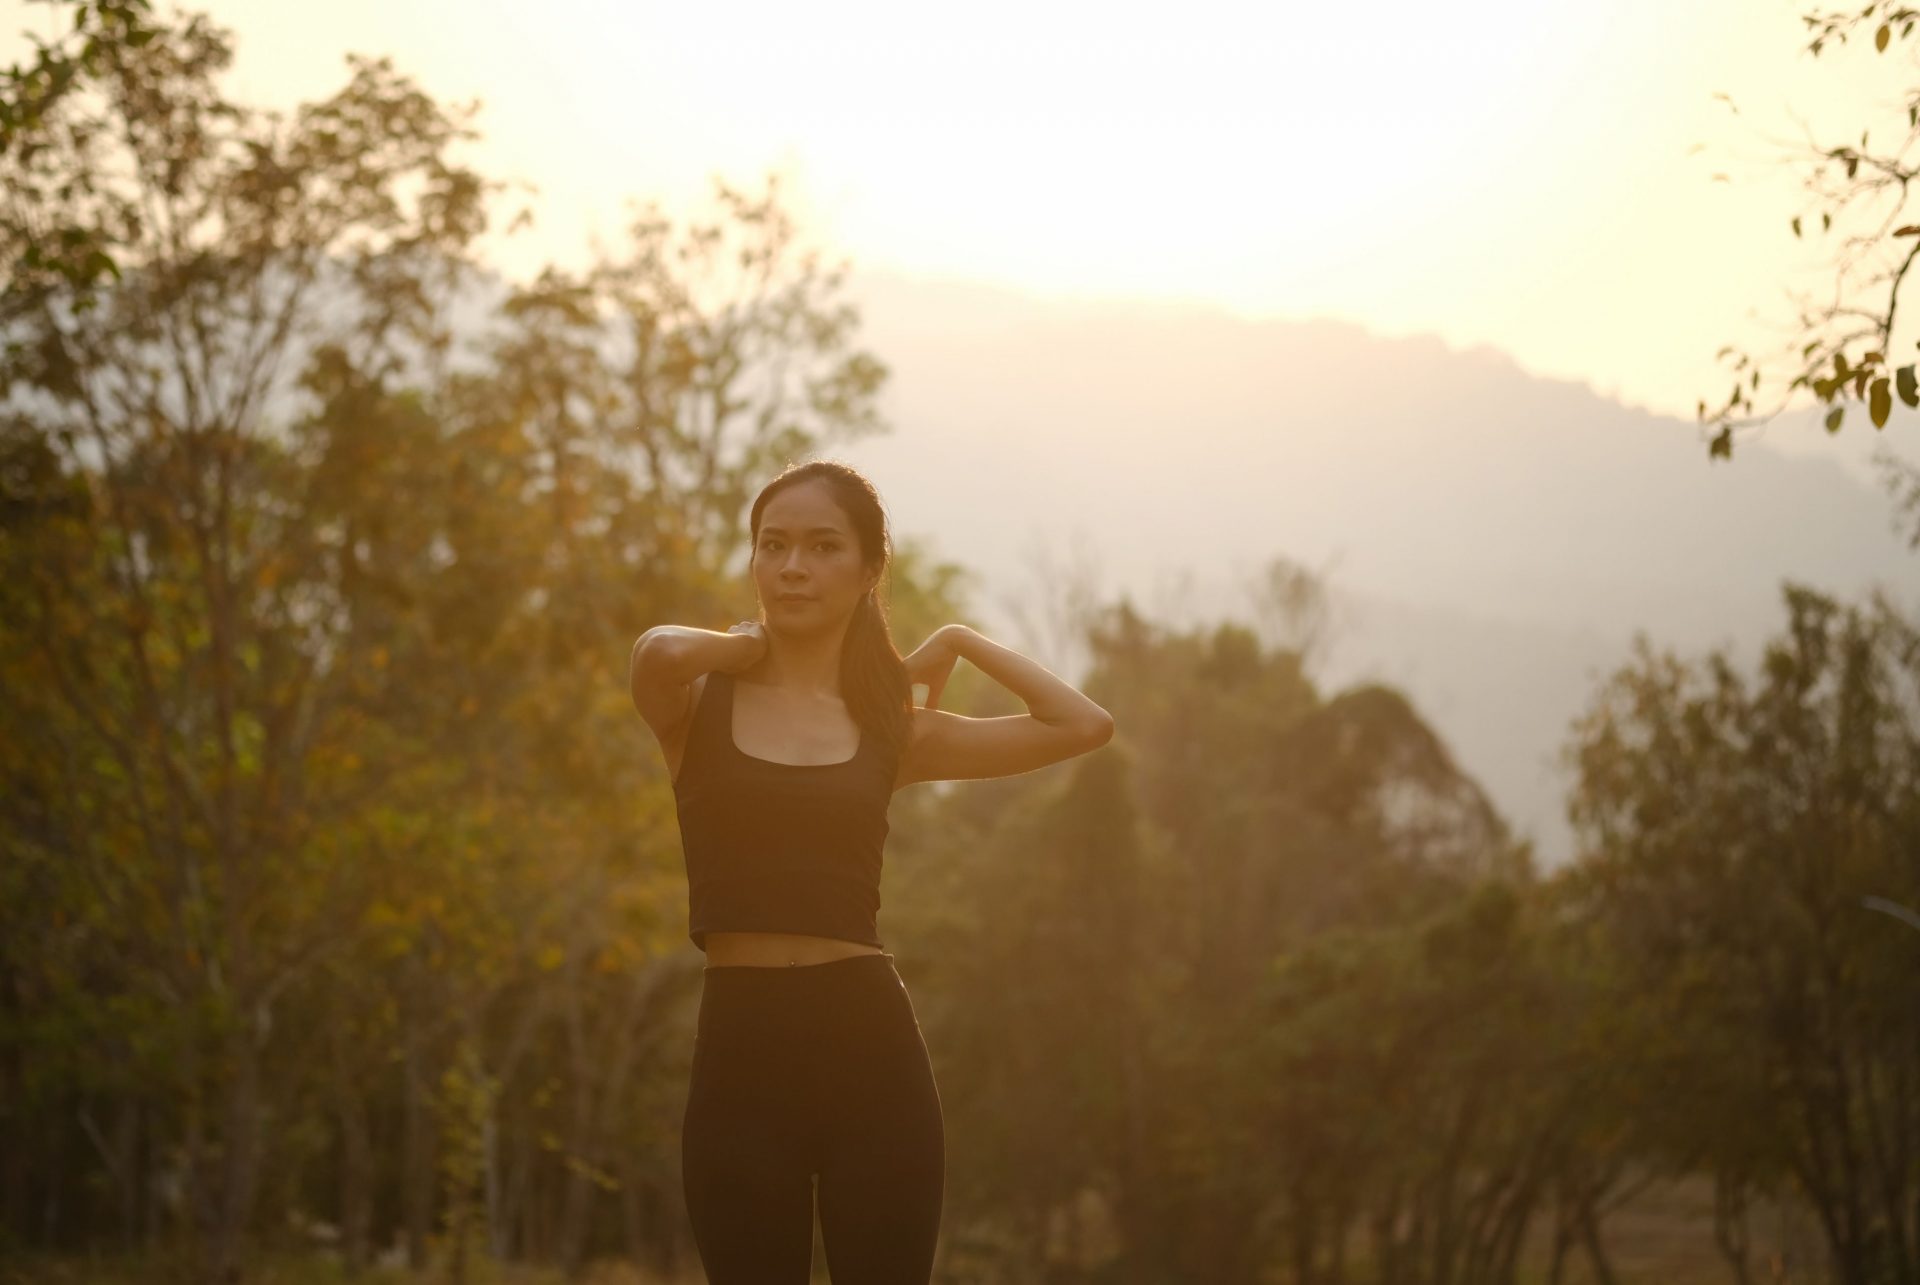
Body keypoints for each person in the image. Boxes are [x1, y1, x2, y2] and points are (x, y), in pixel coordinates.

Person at [628, 458, 1115, 1284]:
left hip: (869, 1052)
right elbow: (657, 649)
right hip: (740, 1053)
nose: (792, 566)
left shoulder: (894, 729)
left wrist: (957, 639)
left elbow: (1083, 724)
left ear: (867, 570)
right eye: (773, 545)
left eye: (823, 547)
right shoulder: (696, 703)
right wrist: (747, 644)